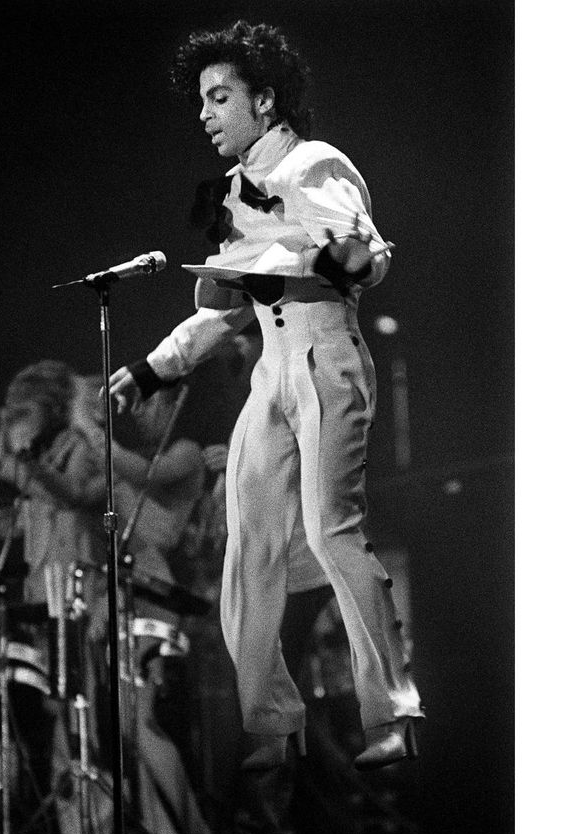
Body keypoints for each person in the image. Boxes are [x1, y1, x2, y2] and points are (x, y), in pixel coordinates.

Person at [108, 20, 423, 784]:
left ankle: (395, 709)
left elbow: (361, 253)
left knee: (330, 531)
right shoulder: (235, 190)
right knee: (247, 547)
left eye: (221, 97)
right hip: (273, 371)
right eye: (203, 102)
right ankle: (272, 723)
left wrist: (336, 256)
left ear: (265, 99)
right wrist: (153, 368)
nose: (208, 114)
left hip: (327, 359)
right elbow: (228, 302)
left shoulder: (315, 164)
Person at [0, 359, 107, 834]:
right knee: (60, 715)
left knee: (85, 718)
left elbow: (78, 496)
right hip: (43, 598)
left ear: (46, 410)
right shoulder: (36, 462)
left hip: (84, 595)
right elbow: (11, 526)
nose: (13, 420)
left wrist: (18, 459)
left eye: (21, 410)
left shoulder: (77, 449)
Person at [71, 378, 220, 834]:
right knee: (128, 728)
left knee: (143, 723)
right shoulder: (129, 461)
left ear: (175, 402)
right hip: (122, 592)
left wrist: (91, 431)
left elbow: (142, 475)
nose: (138, 412)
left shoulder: (186, 452)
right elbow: (80, 493)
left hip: (157, 594)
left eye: (149, 401)